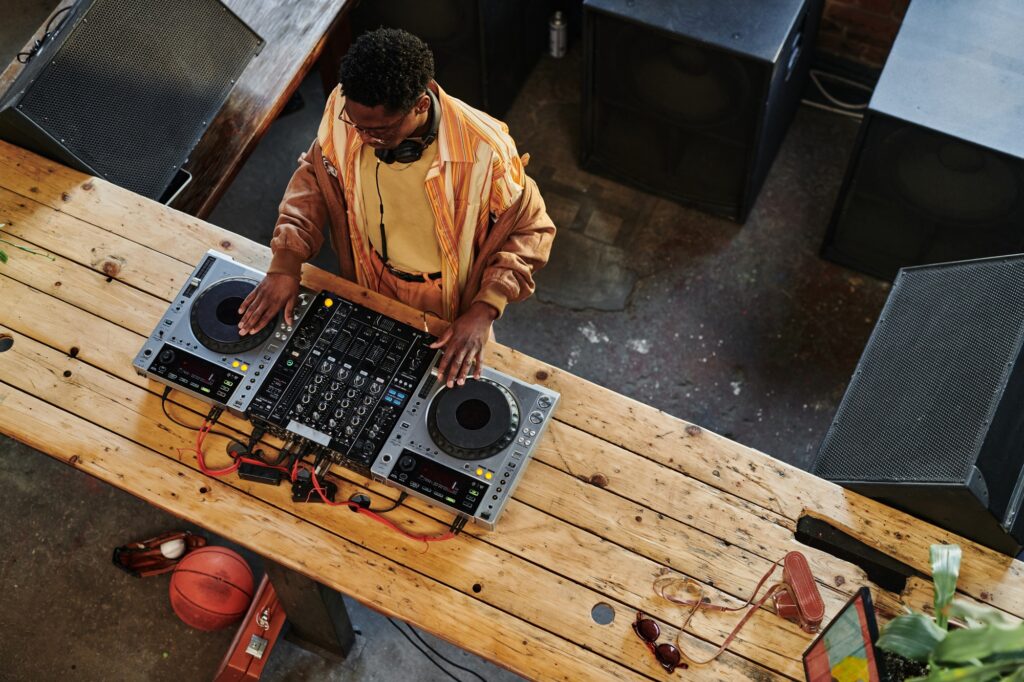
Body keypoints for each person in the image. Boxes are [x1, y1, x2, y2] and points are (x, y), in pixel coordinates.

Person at [237, 28, 556, 388]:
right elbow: (316, 172)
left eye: (380, 131)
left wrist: (485, 309)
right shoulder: (345, 107)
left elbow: (532, 229)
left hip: (447, 298)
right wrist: (285, 264)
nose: (364, 139)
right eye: (356, 126)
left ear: (420, 105)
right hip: (367, 274)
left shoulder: (485, 149)